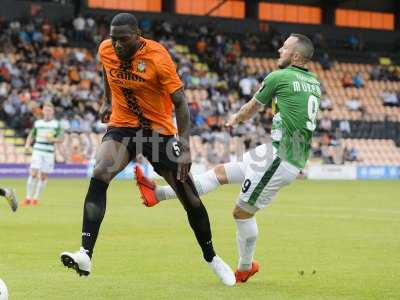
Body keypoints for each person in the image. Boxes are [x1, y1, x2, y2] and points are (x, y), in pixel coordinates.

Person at [60, 13, 235, 286]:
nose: (117, 45)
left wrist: (185, 146)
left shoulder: (158, 57)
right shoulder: (106, 49)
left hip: (158, 132)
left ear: (137, 35)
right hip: (123, 126)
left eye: (123, 39)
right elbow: (106, 70)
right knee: (101, 172)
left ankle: (212, 257)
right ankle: (85, 253)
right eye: (113, 38)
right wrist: (108, 100)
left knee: (189, 197)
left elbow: (180, 102)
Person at [136, 33, 320, 283]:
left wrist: (235, 118)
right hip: (274, 151)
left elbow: (253, 106)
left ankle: (245, 267)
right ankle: (157, 194)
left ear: (296, 56)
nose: (279, 50)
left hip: (280, 158)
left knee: (242, 213)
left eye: (284, 48)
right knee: (220, 173)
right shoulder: (314, 82)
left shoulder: (280, 76)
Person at [22, 102, 63, 206]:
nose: (47, 112)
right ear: (43, 111)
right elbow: (31, 134)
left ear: (52, 111)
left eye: (49, 110)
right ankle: (27, 198)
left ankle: (35, 199)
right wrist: (27, 145)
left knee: (44, 176)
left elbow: (61, 139)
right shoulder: (38, 123)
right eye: (45, 110)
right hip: (38, 150)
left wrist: (52, 139)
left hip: (49, 153)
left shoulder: (56, 124)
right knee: (33, 173)